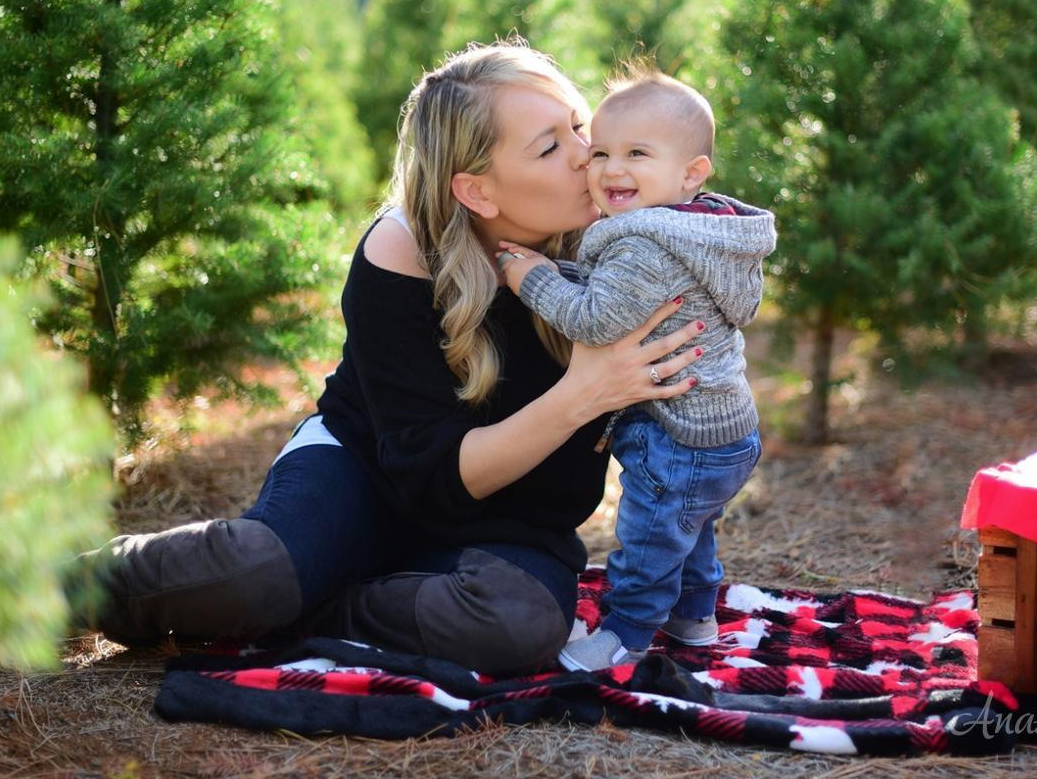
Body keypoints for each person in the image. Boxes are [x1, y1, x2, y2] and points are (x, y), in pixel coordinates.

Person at [77, 43, 705, 676]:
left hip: (517, 516)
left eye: (578, 126)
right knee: (255, 574)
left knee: (516, 628)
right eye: (549, 147)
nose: (587, 156)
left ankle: (320, 606)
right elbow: (429, 475)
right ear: (478, 191)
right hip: (368, 473)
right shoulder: (402, 253)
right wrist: (585, 395)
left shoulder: (631, 239)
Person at [497, 68, 775, 672]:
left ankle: (625, 634)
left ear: (691, 172)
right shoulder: (700, 233)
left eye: (637, 154)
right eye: (600, 152)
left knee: (649, 541)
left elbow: (597, 321)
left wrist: (533, 277)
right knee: (689, 531)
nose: (612, 169)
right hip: (723, 432)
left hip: (677, 437)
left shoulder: (645, 243)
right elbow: (620, 299)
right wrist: (567, 275)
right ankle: (695, 621)